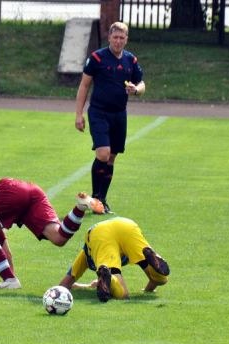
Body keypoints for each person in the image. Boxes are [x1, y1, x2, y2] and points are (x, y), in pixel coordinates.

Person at [0, 177, 100, 289]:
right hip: (32, 191)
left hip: (10, 191)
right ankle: (79, 208)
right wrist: (12, 277)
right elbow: (6, 252)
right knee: (58, 238)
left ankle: (9, 280)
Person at [75, 21, 145, 214]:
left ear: (126, 39)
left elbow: (141, 83)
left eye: (122, 38)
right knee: (103, 154)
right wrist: (79, 114)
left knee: (112, 157)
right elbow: (84, 86)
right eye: (115, 37)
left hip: (119, 114)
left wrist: (136, 89)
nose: (118, 41)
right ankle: (96, 197)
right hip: (99, 112)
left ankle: (101, 200)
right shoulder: (97, 58)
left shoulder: (130, 60)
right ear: (109, 38)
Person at [59, 217, 169, 302]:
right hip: (127, 225)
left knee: (122, 294)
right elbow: (154, 280)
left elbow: (64, 285)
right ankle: (155, 257)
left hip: (100, 233)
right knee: (161, 279)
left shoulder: (86, 255)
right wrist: (148, 290)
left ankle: (110, 279)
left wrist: (84, 285)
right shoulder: (95, 251)